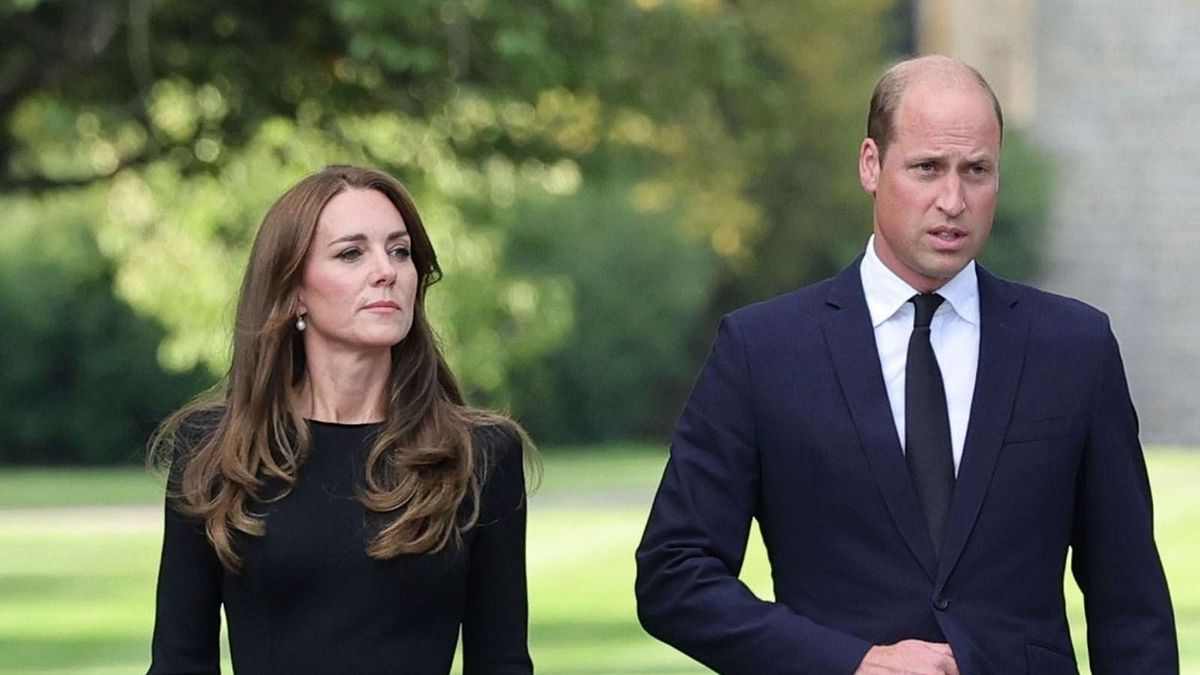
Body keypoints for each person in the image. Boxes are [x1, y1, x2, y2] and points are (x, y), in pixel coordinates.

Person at [635, 55, 1177, 674]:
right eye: (927, 168)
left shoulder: (1075, 346)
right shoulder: (763, 350)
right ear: (871, 164)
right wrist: (851, 662)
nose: (953, 199)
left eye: (976, 170)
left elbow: (1131, 605)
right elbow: (674, 575)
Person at [147, 165, 533, 675]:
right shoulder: (214, 452)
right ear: (293, 292)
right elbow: (179, 662)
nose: (387, 271)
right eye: (352, 253)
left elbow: (501, 663)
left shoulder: (480, 453)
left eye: (400, 251)